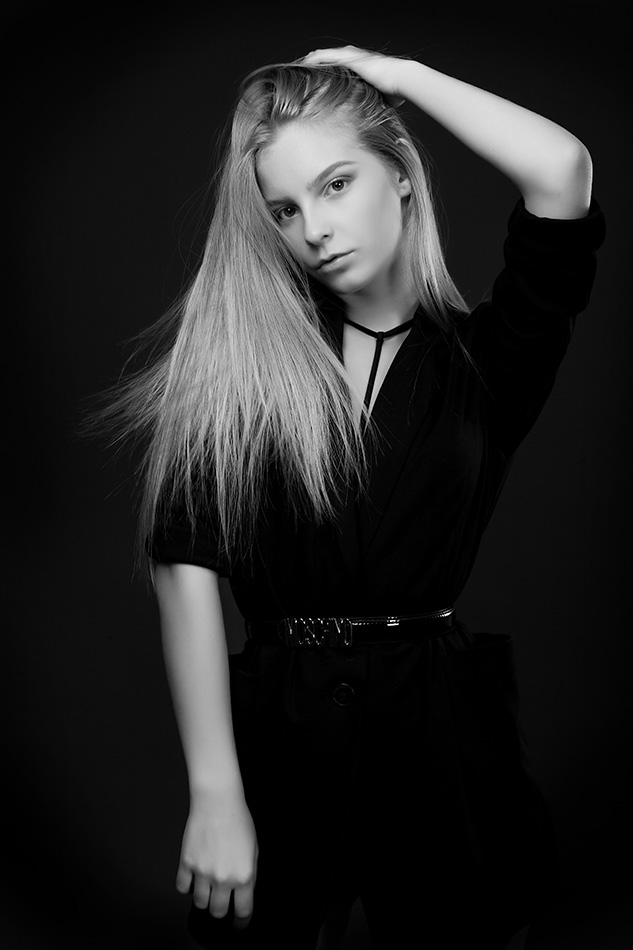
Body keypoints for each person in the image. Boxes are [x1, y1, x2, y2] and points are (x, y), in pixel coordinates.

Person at [117, 45, 605, 949]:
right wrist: (215, 792)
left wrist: (402, 78)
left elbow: (561, 169)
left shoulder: (486, 366)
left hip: (444, 738)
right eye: (285, 209)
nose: (314, 229)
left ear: (401, 176)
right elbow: (185, 563)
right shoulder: (240, 357)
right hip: (282, 734)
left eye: (336, 185)